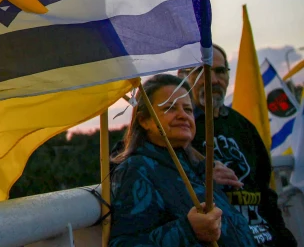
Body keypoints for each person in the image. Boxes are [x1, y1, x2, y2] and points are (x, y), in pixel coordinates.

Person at [110, 73, 257, 246]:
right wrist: (187, 230)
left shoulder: (196, 167)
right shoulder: (137, 170)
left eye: (187, 109)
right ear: (144, 121)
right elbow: (125, 244)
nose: (182, 115)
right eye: (170, 108)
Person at [179, 45, 297, 247]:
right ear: (182, 76)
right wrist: (202, 174)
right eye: (203, 71)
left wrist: (285, 239)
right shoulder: (176, 130)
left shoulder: (243, 127)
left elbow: (265, 192)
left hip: (264, 239)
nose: (214, 80)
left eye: (220, 71)